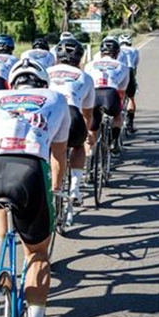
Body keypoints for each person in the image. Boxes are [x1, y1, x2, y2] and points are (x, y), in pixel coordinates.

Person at [0, 58, 70, 317]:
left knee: (0, 201)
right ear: (43, 83)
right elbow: (58, 156)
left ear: (12, 83)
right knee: (37, 255)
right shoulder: (57, 99)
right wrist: (55, 191)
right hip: (29, 170)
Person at [47, 38, 95, 210]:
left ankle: (49, 187)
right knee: (78, 146)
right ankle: (74, 188)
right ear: (80, 59)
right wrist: (86, 132)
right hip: (73, 113)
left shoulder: (46, 71)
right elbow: (87, 113)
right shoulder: (86, 77)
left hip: (49, 115)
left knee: (50, 149)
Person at [83, 38, 129, 155]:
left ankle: (87, 161)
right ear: (117, 53)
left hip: (93, 94)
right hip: (110, 95)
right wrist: (119, 106)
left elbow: (85, 85)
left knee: (92, 129)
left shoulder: (89, 65)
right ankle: (114, 139)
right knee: (118, 115)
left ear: (101, 52)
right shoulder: (122, 66)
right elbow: (122, 92)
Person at [117, 33, 140, 133]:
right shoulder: (134, 50)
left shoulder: (117, 49)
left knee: (117, 95)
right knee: (131, 98)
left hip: (118, 71)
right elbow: (135, 66)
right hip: (129, 71)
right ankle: (130, 124)